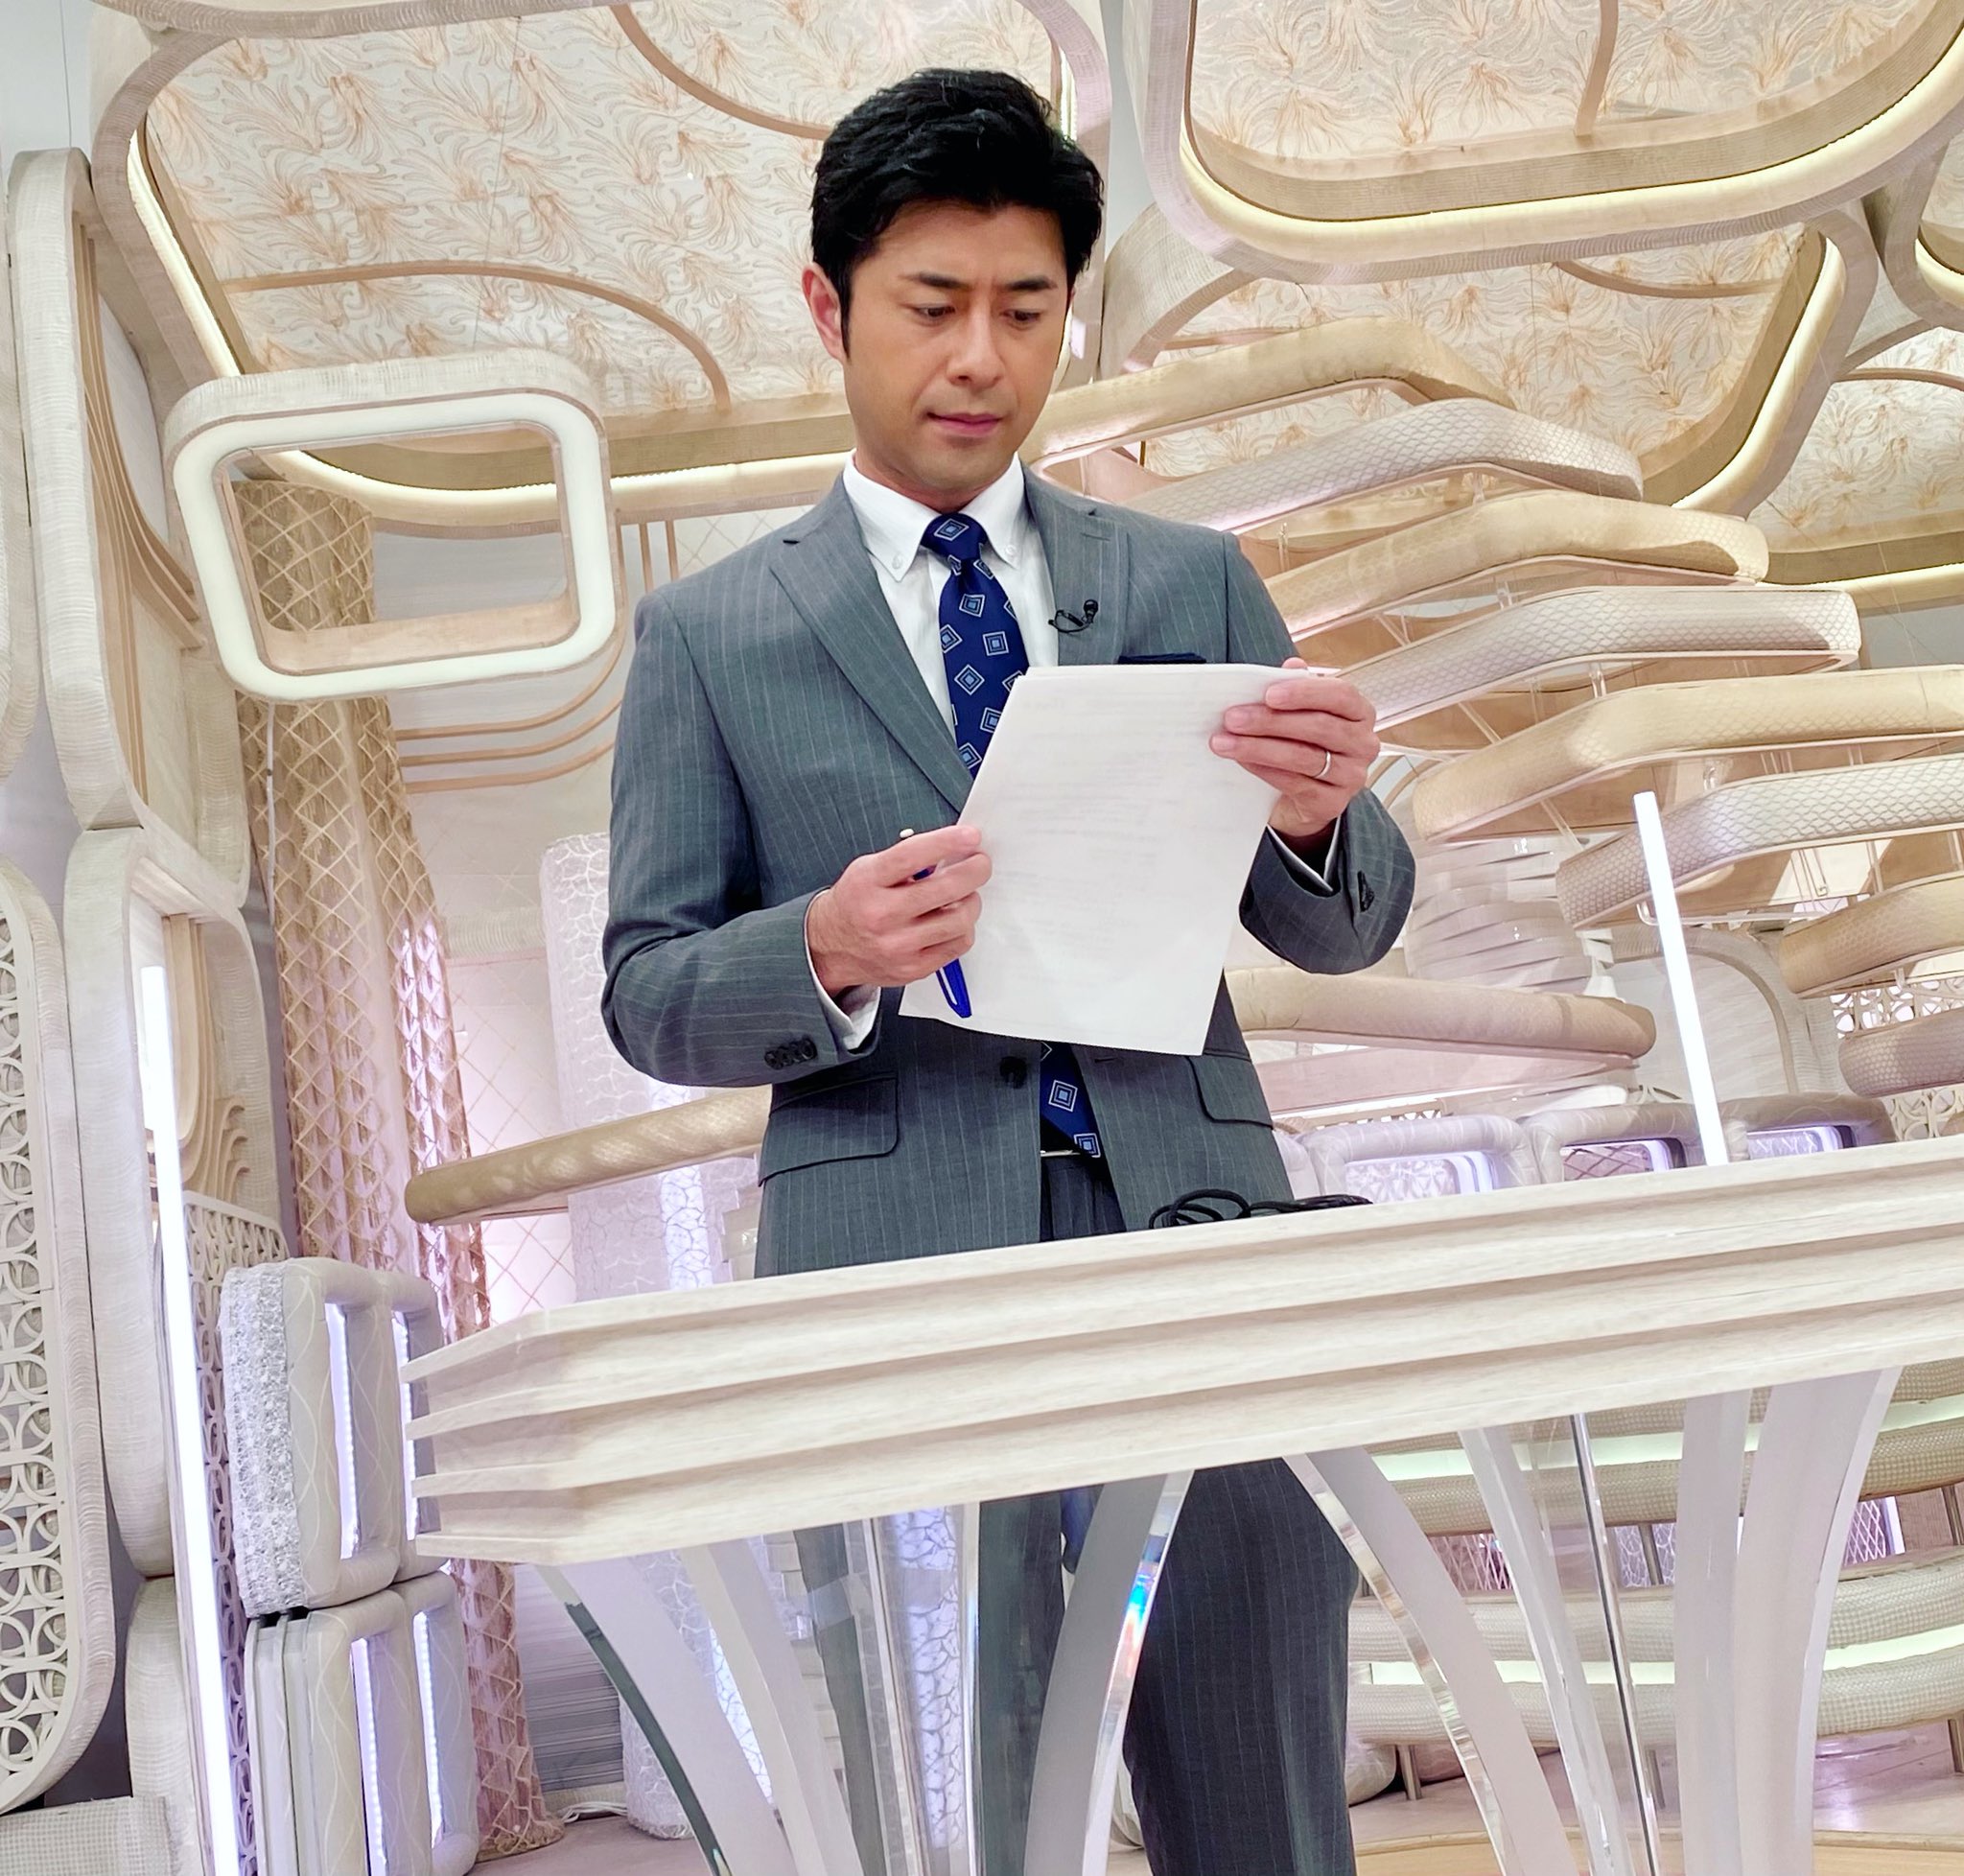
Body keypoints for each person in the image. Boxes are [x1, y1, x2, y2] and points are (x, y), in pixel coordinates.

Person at [602, 66, 1414, 1876]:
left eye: (1027, 310)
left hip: (1198, 1241)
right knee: (959, 1815)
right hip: (894, 1282)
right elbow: (647, 988)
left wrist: (1316, 819)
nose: (981, 358)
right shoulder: (709, 636)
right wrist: (821, 947)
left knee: (1267, 1800)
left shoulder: (1195, 583)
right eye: (932, 305)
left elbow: (1345, 925)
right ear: (830, 309)